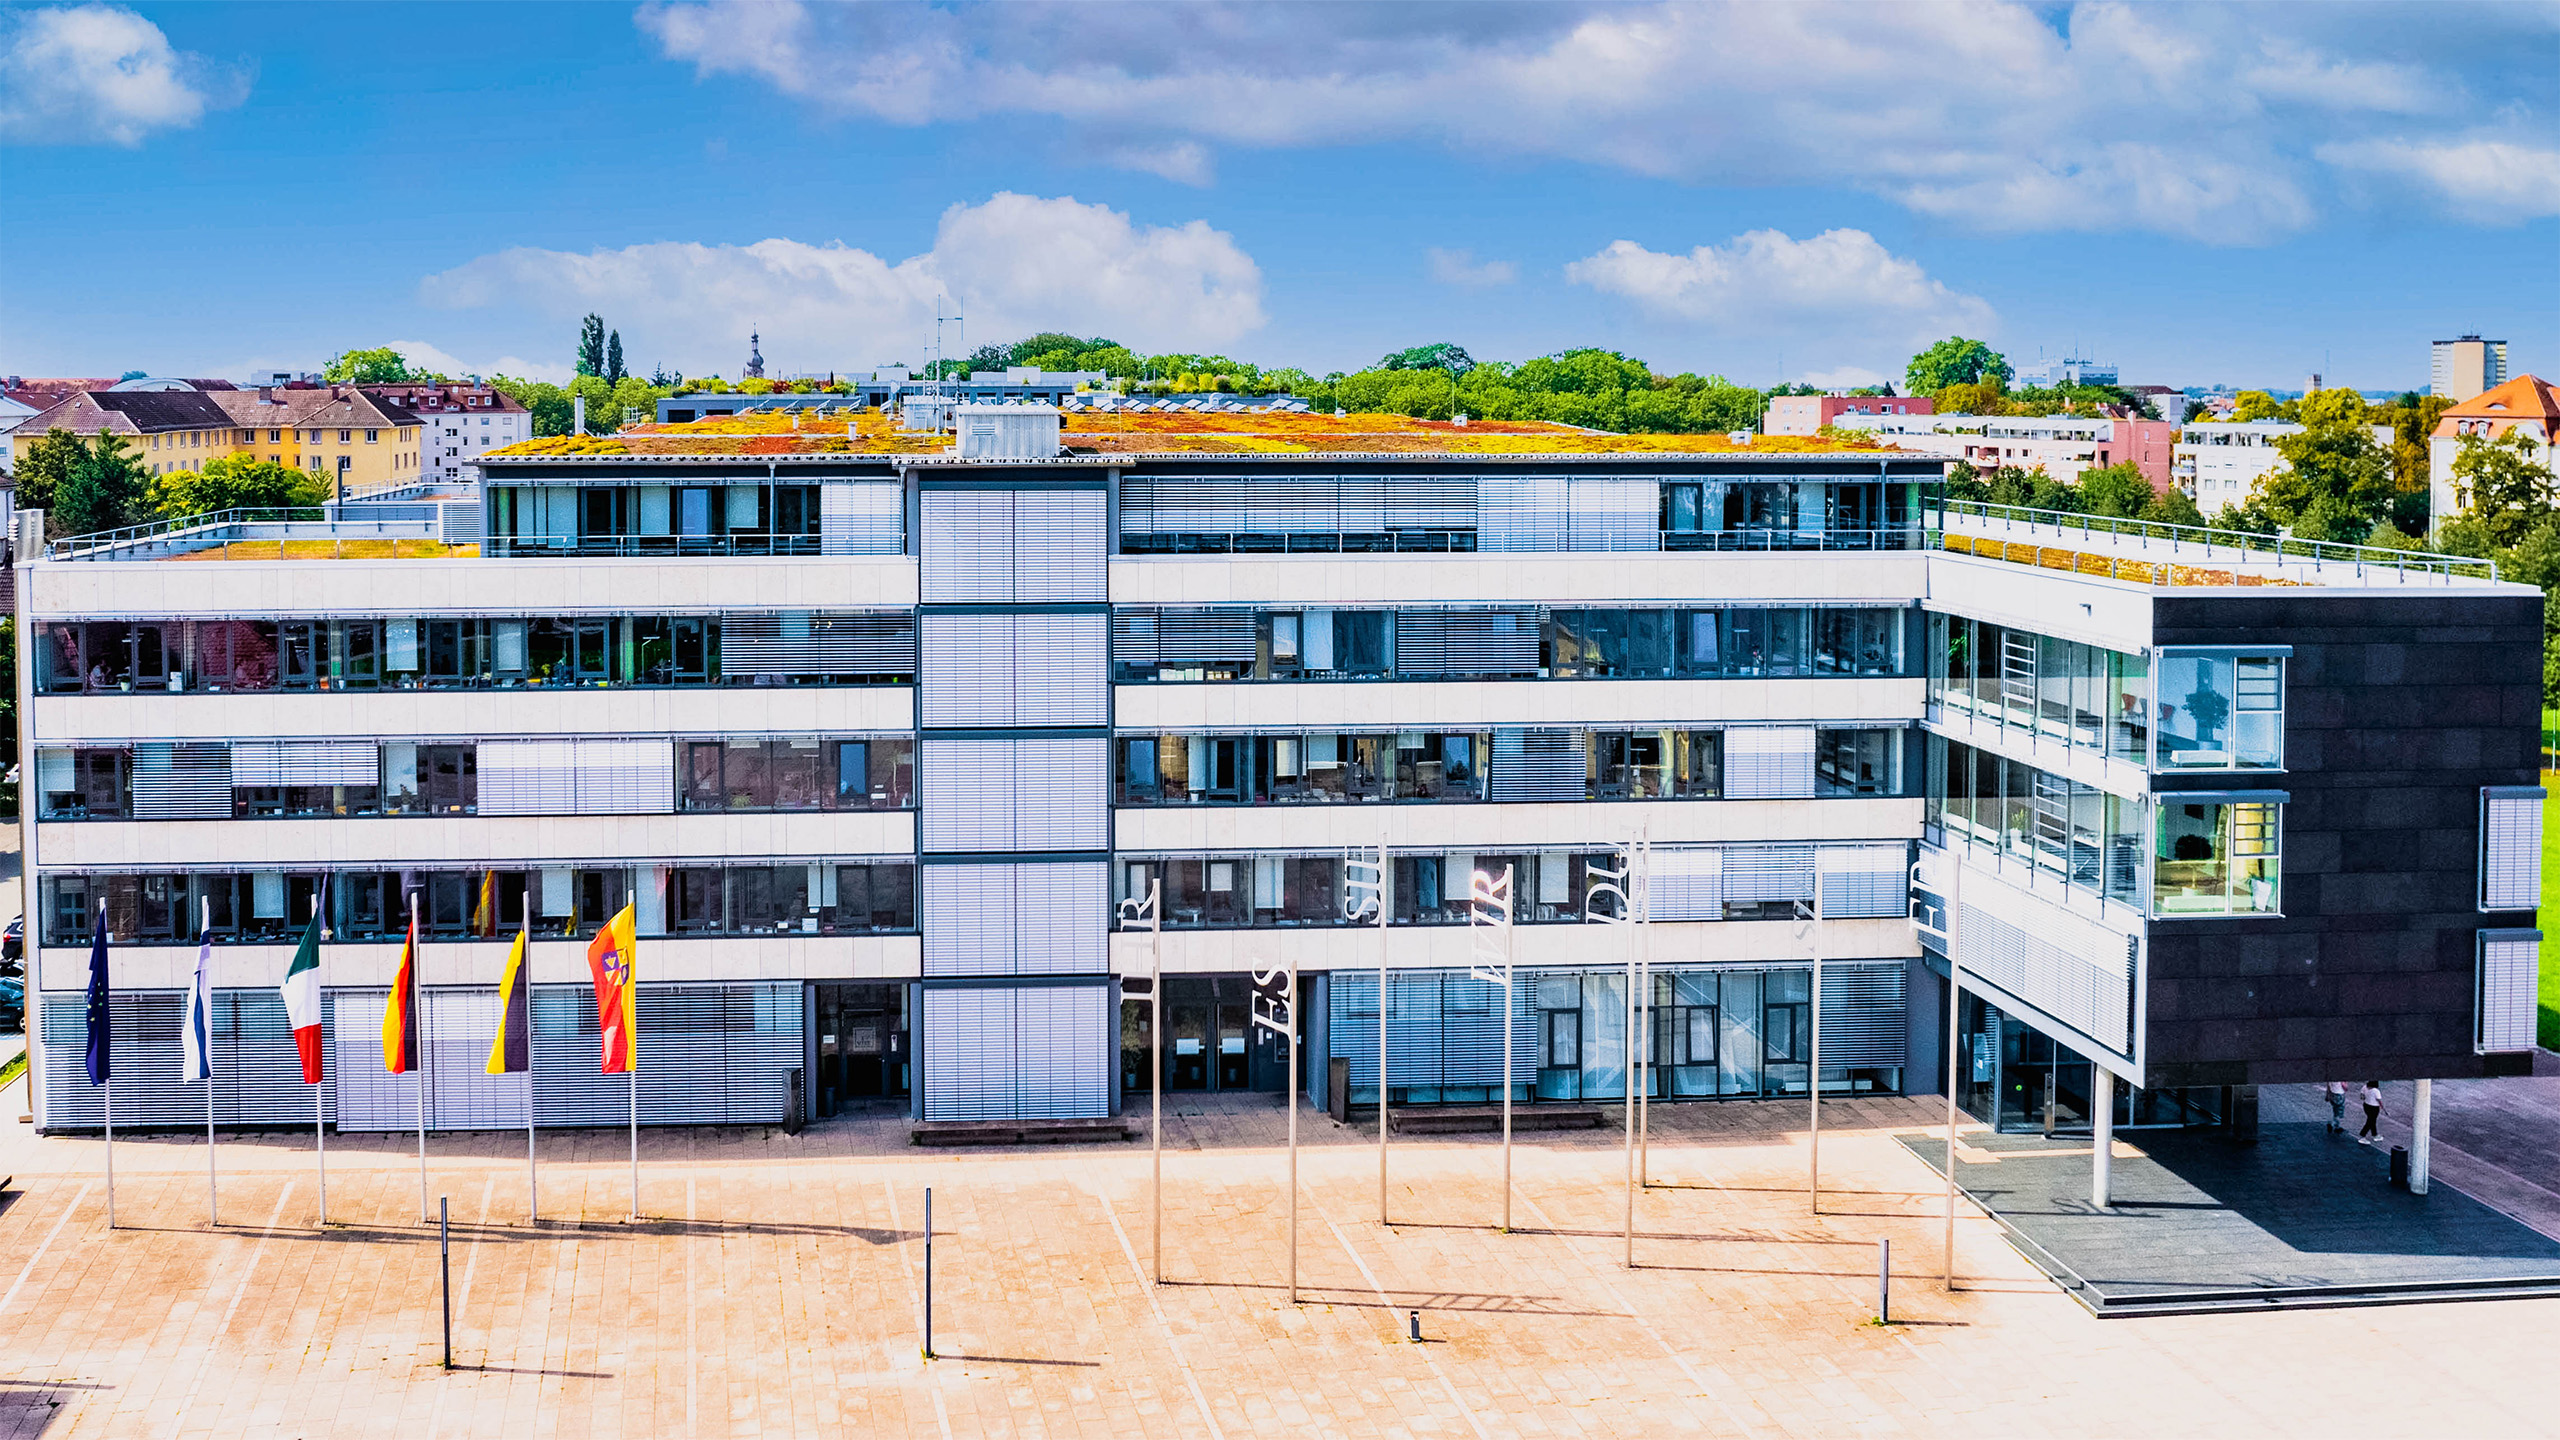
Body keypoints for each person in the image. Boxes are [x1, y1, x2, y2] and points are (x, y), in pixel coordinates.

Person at [2358, 1080, 2383, 1145]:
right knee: (2370, 1121)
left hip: (2366, 1105)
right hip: (2374, 1107)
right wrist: (2382, 1107)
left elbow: (2362, 1096)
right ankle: (2362, 1135)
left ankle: (2374, 1134)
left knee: (2372, 1120)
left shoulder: (2364, 1087)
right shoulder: (2376, 1091)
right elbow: (2379, 1100)